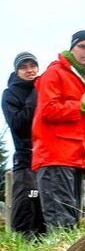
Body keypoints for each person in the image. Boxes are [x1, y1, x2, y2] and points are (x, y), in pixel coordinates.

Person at [32, 30, 85, 230]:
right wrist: (81, 107)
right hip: (55, 155)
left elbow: (82, 118)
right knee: (61, 222)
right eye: (83, 46)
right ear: (72, 48)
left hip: (76, 156)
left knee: (71, 220)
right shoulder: (55, 73)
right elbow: (47, 110)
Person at [1, 52, 46, 240]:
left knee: (44, 202)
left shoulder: (46, 88)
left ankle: (45, 246)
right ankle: (24, 244)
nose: (29, 70)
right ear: (17, 71)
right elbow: (18, 123)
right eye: (24, 67)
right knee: (27, 200)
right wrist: (35, 95)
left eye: (32, 66)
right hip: (25, 158)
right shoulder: (10, 93)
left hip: (47, 157)